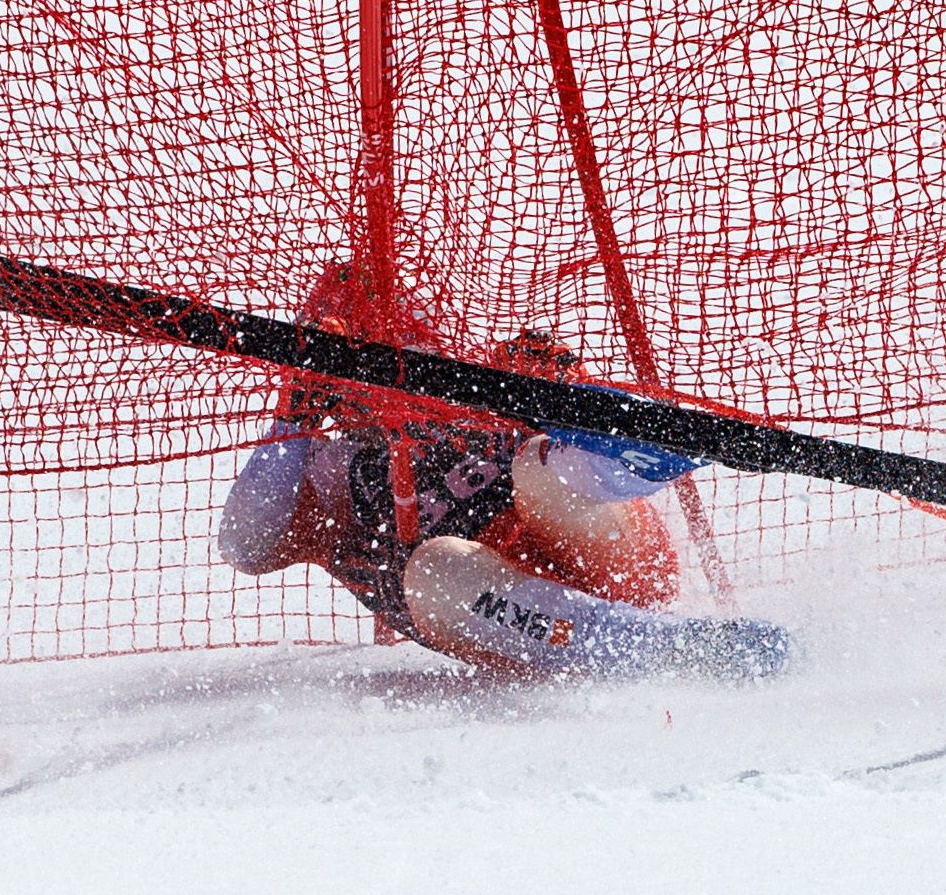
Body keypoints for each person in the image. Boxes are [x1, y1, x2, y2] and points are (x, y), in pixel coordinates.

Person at [216, 290, 787, 679]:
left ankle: (632, 446)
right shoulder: (329, 473)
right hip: (520, 624)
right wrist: (292, 423)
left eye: (410, 346)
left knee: (537, 465)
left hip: (610, 558)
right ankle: (671, 650)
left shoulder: (482, 393)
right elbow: (244, 547)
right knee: (436, 565)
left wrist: (558, 396)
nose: (397, 374)